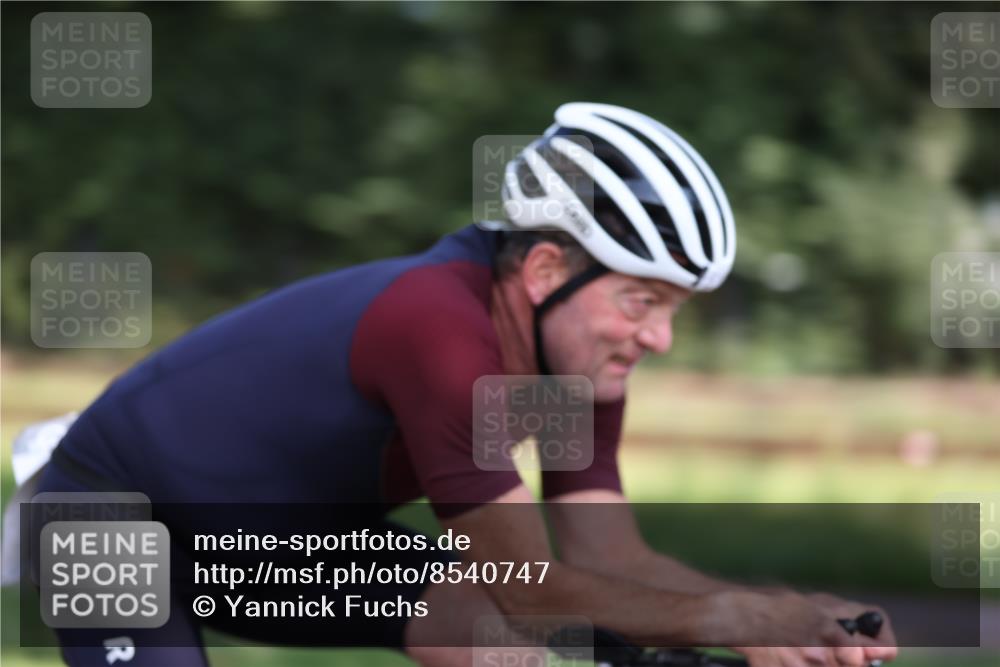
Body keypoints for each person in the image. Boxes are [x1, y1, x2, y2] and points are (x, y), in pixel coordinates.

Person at [27, 102, 897, 667]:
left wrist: (782, 616)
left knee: (540, 649)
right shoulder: (440, 330)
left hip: (268, 542)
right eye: (642, 300)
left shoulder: (580, 361)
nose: (659, 337)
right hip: (109, 513)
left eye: (675, 310)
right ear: (546, 265)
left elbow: (607, 560)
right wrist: (738, 621)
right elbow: (532, 582)